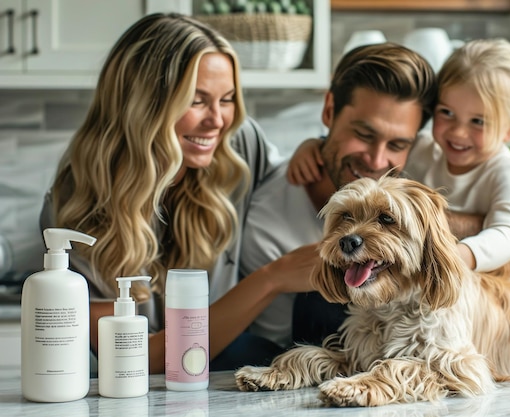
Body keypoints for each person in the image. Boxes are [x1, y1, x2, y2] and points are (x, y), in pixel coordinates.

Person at [39, 13, 318, 373]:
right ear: (142, 104)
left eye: (228, 99)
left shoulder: (236, 145)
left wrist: (316, 145)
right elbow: (139, 358)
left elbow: (296, 181)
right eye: (197, 100)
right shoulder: (76, 208)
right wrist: (272, 278)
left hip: (226, 379)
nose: (218, 120)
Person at [240, 42, 510, 351]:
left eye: (398, 144)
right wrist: (312, 145)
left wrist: (439, 244)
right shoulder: (271, 223)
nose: (376, 163)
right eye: (364, 134)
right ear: (329, 111)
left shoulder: (496, 171)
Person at [290, 38, 510, 273]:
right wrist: (313, 146)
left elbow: (507, 234)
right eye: (447, 113)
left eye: (478, 121)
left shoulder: (505, 172)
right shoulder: (423, 149)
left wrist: (456, 256)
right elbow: (362, 153)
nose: (458, 132)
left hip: (462, 279)